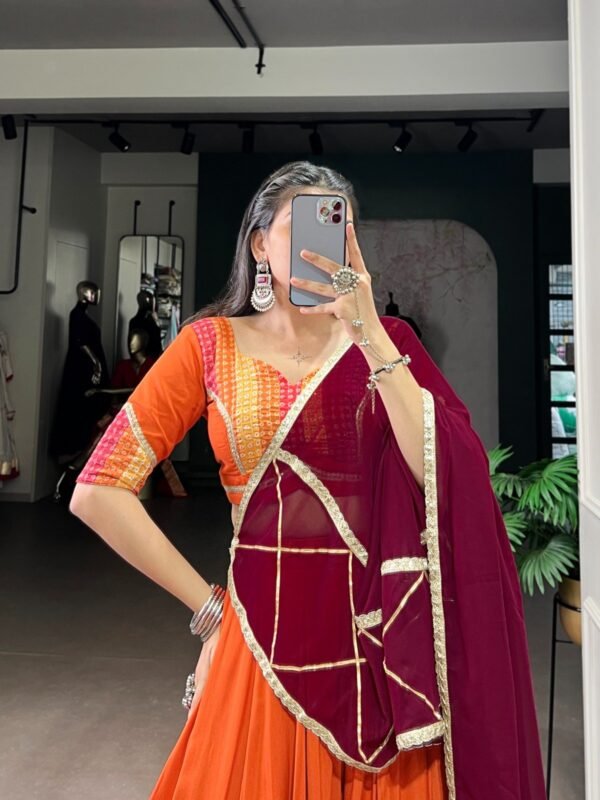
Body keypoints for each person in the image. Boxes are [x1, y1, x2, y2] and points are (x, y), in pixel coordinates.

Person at [69, 161, 546, 800]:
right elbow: (98, 490)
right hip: (263, 643)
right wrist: (211, 613)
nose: (322, 244)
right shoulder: (209, 346)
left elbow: (438, 471)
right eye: (300, 227)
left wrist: (368, 331)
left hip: (380, 644)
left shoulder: (387, 341)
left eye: (339, 228)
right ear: (259, 244)